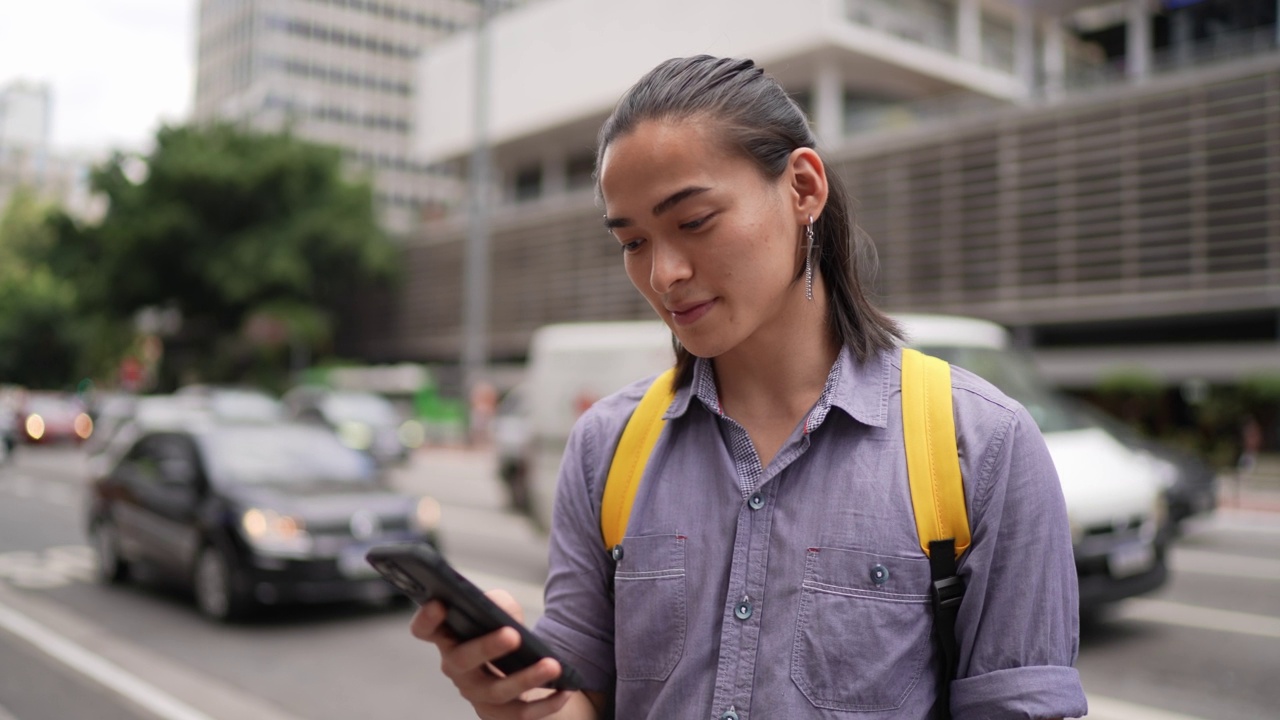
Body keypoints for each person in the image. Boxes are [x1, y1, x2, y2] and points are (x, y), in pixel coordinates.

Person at [411, 55, 1087, 720]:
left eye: (694, 221)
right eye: (634, 242)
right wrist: (516, 703)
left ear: (803, 188)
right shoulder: (607, 449)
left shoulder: (983, 445)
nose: (664, 273)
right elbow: (582, 702)